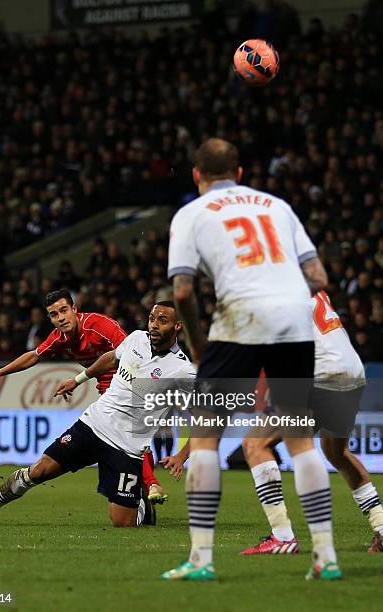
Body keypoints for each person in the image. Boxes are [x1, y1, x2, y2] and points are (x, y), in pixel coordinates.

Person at [163, 138, 339, 581]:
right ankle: (326, 556)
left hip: (237, 321)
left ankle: (200, 560)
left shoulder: (190, 213)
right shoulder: (278, 206)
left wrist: (200, 345)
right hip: (296, 321)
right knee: (300, 439)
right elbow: (318, 276)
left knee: (204, 437)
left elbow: (182, 291)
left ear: (197, 176)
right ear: (240, 173)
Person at [0, 302, 194, 528]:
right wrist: (78, 380)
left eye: (162, 320)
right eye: (152, 318)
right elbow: (111, 358)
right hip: (93, 425)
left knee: (123, 524)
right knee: (38, 471)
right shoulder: (136, 339)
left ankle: (142, 504)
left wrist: (182, 455)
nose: (153, 324)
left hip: (126, 447)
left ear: (178, 326)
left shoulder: (183, 370)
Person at [0, 289, 167, 504]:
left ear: (75, 310)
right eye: (54, 314)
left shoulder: (100, 326)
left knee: (128, 435)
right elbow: (34, 356)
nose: (60, 318)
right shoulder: (60, 337)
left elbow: (134, 352)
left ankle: (149, 483)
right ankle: (146, 488)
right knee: (127, 437)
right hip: (106, 389)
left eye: (64, 311)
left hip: (129, 382)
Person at [241, 291, 383, 555]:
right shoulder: (308, 286)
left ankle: (282, 536)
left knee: (255, 444)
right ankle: (382, 527)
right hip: (351, 371)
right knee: (336, 452)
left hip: (318, 372)